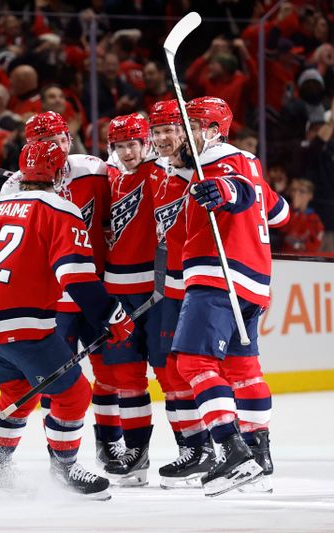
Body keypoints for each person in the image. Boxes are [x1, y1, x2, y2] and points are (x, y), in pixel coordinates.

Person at [0, 140, 134, 500]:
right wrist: (110, 314)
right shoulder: (61, 210)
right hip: (24, 324)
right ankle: (65, 470)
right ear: (60, 172)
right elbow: (75, 275)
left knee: (17, 392)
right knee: (74, 392)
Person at [174, 96, 285, 496]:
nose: (187, 134)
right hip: (254, 282)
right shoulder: (251, 163)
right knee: (244, 370)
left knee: (193, 362)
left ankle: (231, 450)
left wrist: (221, 191)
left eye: (194, 126)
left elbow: (235, 190)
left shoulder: (221, 161)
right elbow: (280, 212)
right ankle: (260, 456)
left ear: (214, 131)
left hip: (219, 278)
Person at [0, 111, 118, 471]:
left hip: (92, 291)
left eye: (59, 139)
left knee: (110, 375)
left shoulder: (94, 169)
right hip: (51, 302)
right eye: (43, 143)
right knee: (59, 381)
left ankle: (109, 445)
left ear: (69, 139)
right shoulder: (13, 188)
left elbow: (124, 209)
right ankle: (61, 458)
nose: (56, 147)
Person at [148, 100, 214, 489]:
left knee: (203, 369)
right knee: (171, 372)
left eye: (171, 129)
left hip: (201, 284)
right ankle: (193, 449)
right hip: (169, 286)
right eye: (157, 131)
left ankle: (225, 445)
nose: (163, 137)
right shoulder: (155, 170)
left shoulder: (206, 167)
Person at [100, 113, 162, 486]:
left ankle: (196, 448)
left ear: (146, 142)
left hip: (155, 287)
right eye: (120, 146)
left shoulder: (159, 173)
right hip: (115, 287)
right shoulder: (106, 178)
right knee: (125, 375)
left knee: (171, 373)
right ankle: (136, 454)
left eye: (133, 144)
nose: (127, 152)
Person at [278, 178, 324, 254]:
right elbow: (282, 232)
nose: (296, 194)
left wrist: (300, 245)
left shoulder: (314, 219)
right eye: (294, 190)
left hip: (304, 260)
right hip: (285, 258)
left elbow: (316, 244)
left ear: (310, 195)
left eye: (302, 191)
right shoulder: (286, 212)